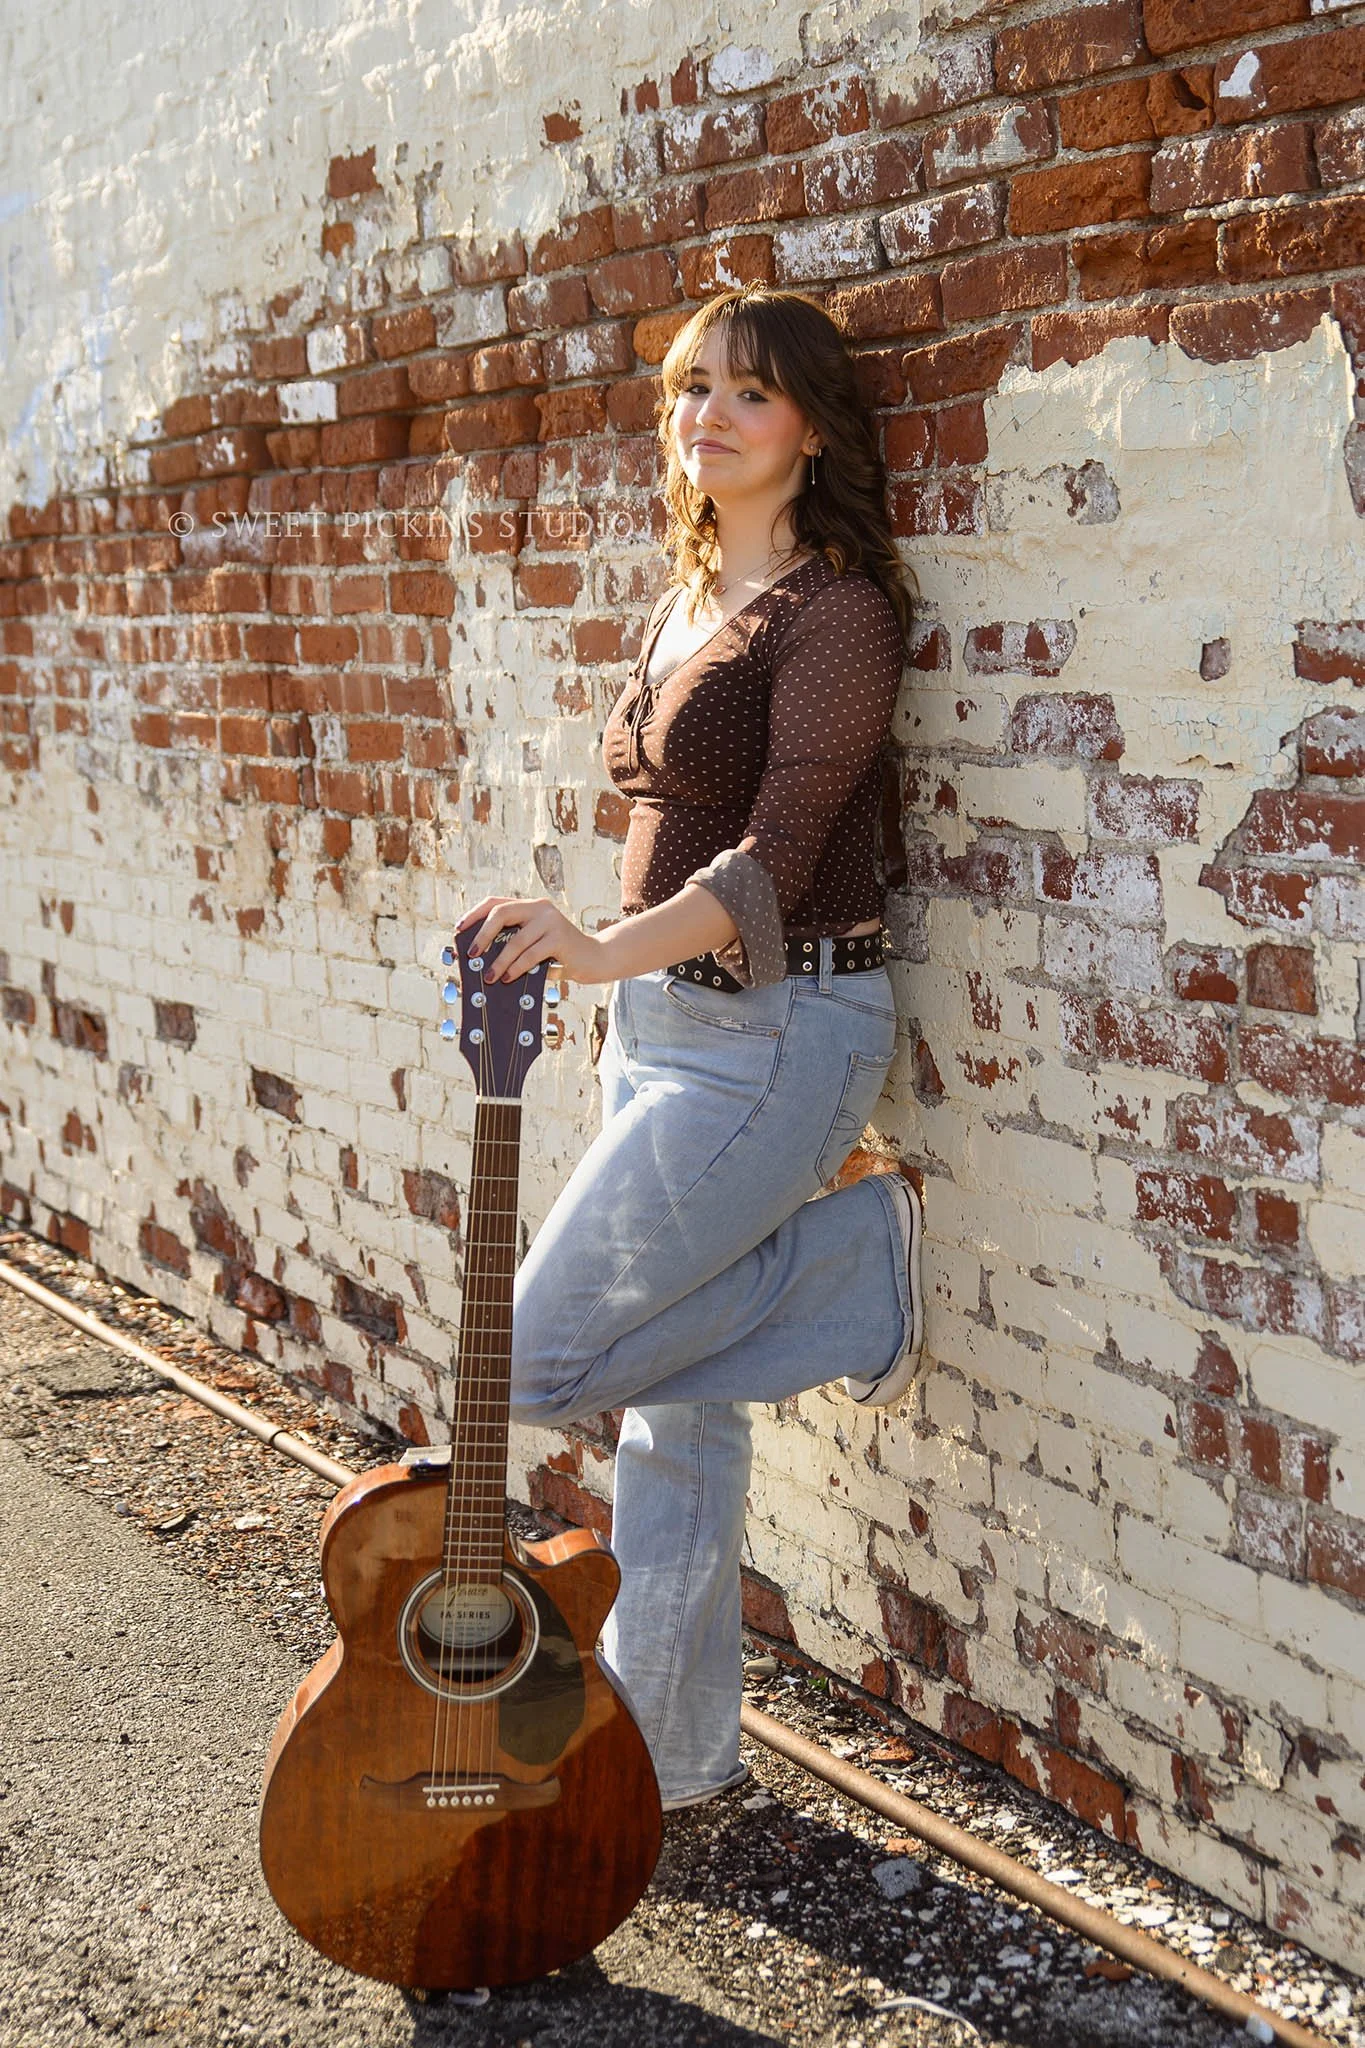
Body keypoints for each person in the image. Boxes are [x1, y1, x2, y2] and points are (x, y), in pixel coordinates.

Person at [455, 283, 927, 1812]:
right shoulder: (687, 600)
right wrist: (605, 973)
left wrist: (598, 945)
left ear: (812, 429)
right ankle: (672, 1764)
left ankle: (864, 1269)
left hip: (785, 1028)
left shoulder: (839, 613)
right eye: (689, 390)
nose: (706, 417)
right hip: (664, 1033)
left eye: (748, 393)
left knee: (530, 1356)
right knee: (676, 1421)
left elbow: (780, 859)